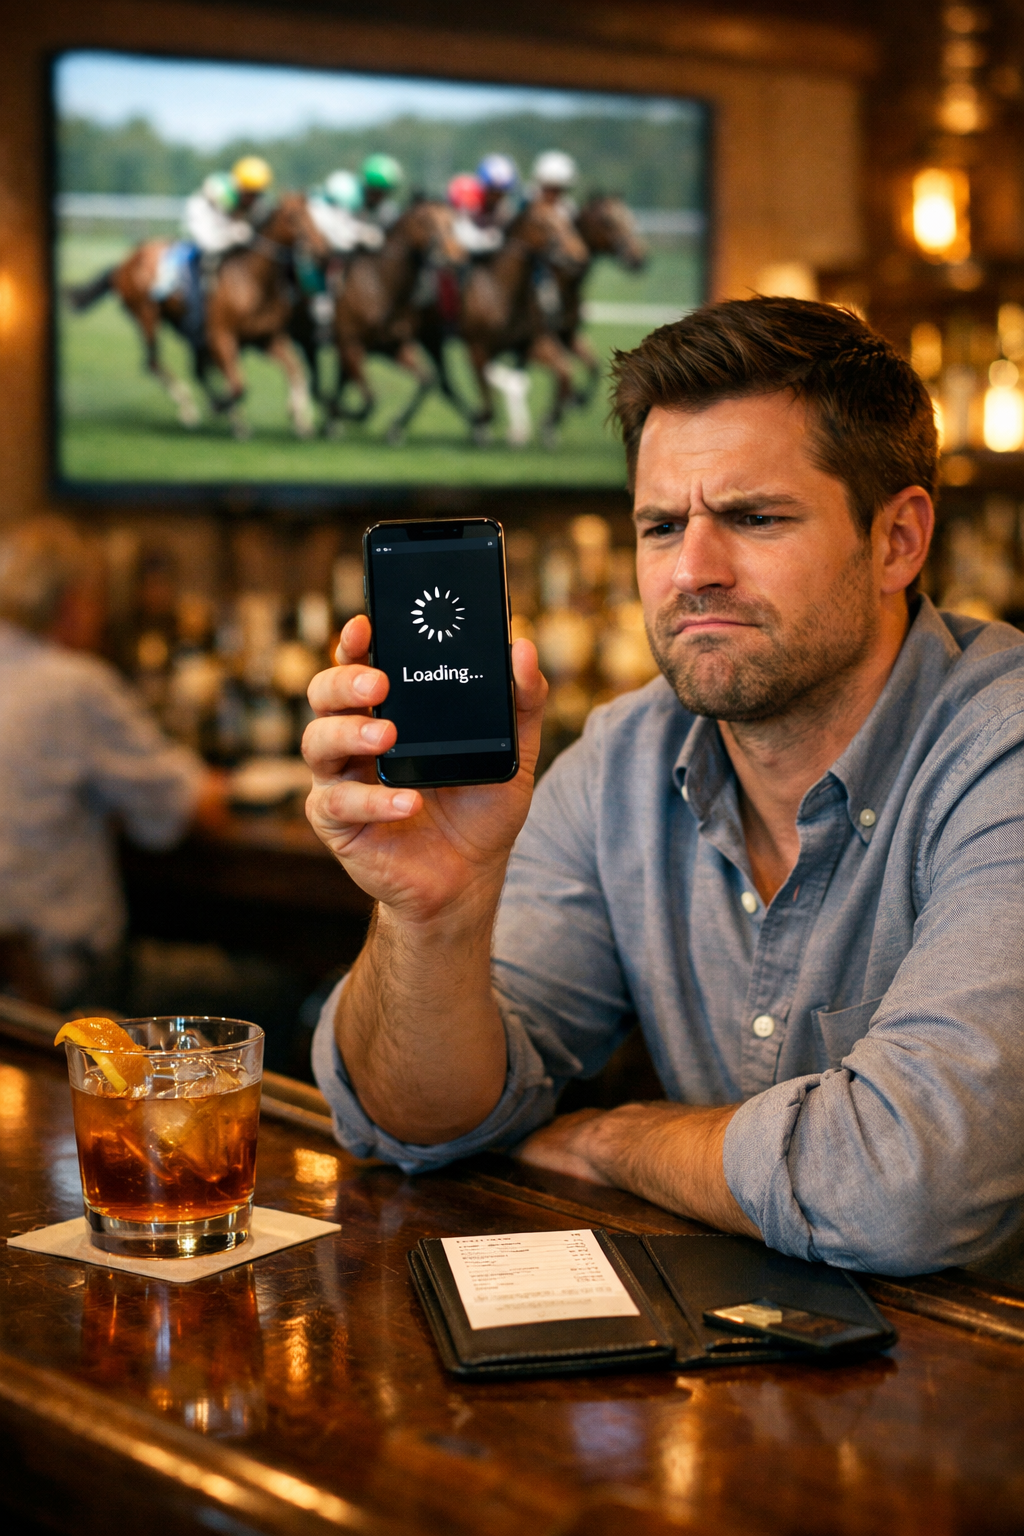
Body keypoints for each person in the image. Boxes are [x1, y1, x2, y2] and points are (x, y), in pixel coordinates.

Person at [303, 297, 1024, 1281]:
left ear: (897, 539)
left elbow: (905, 1187)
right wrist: (432, 914)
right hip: (746, 1381)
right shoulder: (622, 760)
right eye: (657, 526)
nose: (690, 571)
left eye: (753, 518)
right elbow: (412, 1124)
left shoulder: (1001, 749)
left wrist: (617, 1142)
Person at [0, 518, 304, 1061]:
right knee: (277, 991)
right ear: (72, 603)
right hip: (68, 988)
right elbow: (190, 805)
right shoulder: (73, 683)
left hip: (14, 993)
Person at [152, 157, 275, 342]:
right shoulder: (219, 195)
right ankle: (197, 316)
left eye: (257, 193)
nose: (254, 199)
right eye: (250, 193)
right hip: (207, 233)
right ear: (240, 187)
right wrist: (234, 234)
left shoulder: (256, 201)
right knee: (206, 260)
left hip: (226, 232)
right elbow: (211, 240)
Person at [358, 153, 405, 230]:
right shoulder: (353, 206)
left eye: (381, 191)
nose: (377, 195)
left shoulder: (390, 213)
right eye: (373, 190)